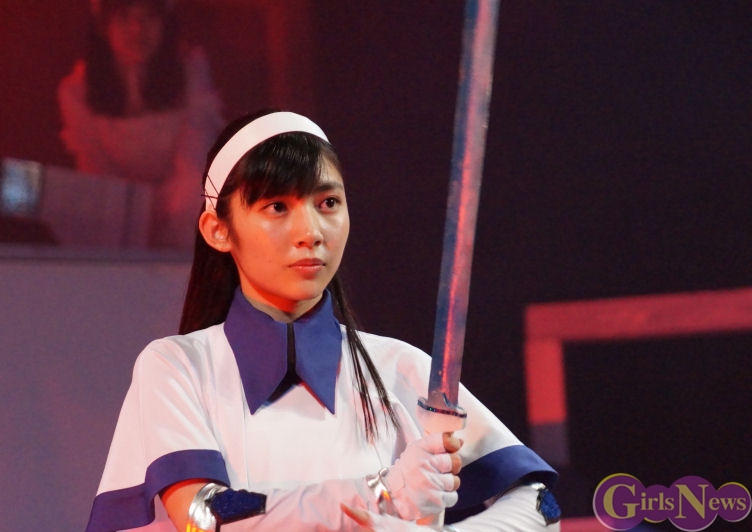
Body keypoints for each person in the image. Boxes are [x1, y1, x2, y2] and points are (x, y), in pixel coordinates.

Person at [84, 110, 561, 531]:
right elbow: (204, 515)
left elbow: (542, 504)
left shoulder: (401, 368)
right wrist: (384, 491)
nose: (310, 232)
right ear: (218, 229)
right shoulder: (178, 367)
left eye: (328, 203)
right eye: (277, 207)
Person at [58, 0, 223, 249]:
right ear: (104, 25)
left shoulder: (191, 72)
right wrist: (130, 219)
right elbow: (96, 173)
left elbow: (195, 159)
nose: (138, 29)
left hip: (183, 213)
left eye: (149, 18)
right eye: (125, 17)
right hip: (115, 216)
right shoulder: (77, 91)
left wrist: (172, 222)